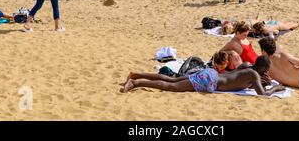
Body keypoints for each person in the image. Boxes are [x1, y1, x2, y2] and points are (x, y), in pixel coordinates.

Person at [120, 54, 284, 96]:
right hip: (209, 81)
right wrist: (275, 88)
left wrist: (265, 81)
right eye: (266, 70)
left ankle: (135, 74)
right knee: (172, 86)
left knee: (173, 79)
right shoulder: (253, 75)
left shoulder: (247, 66)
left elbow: (237, 78)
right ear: (262, 68)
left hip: (210, 73)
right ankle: (135, 83)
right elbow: (262, 94)